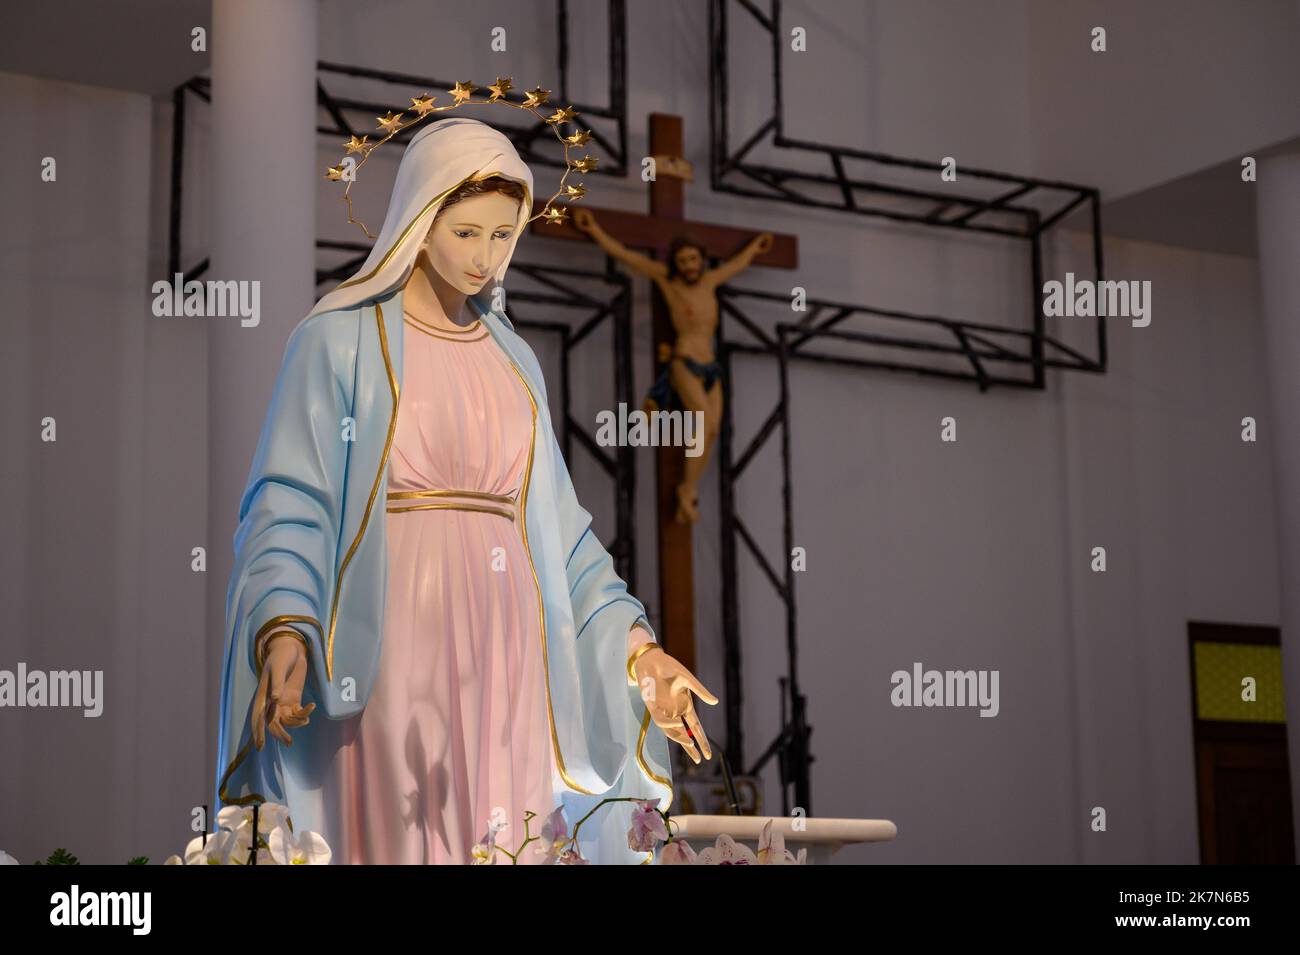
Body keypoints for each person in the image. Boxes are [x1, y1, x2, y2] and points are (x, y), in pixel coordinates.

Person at [214, 116, 717, 864]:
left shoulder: (514, 361)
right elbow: (293, 499)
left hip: (512, 650)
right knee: (403, 832)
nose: (486, 258)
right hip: (391, 641)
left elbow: (561, 534)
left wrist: (638, 653)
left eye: (504, 236)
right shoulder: (339, 338)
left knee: (508, 836)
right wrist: (285, 624)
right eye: (467, 232)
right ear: (420, 218)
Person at [572, 208, 772, 522]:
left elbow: (736, 265)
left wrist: (754, 248)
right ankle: (686, 491)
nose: (690, 266)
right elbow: (625, 256)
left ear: (701, 260)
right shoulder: (667, 281)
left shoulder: (709, 281)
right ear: (675, 265)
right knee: (704, 422)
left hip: (711, 367)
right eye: (683, 261)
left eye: (694, 259)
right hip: (685, 362)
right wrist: (594, 230)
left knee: (712, 430)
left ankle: (688, 488)